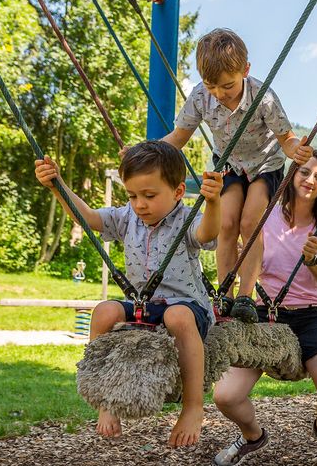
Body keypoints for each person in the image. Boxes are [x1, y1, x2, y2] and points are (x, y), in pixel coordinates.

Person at [35, 141, 223, 448]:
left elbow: (208, 234)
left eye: (149, 196)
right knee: (104, 311)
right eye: (132, 195)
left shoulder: (186, 219)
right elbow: (89, 218)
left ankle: (192, 407)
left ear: (177, 193)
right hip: (143, 306)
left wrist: (213, 202)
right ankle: (107, 400)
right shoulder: (127, 218)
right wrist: (58, 186)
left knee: (178, 316)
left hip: (186, 306)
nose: (139, 204)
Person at [211, 149, 317, 466]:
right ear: (291, 174)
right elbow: (245, 261)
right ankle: (252, 436)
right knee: (225, 396)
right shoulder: (265, 216)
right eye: (305, 172)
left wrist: (313, 260)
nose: (311, 180)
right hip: (266, 313)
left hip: (314, 314)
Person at [160, 28, 312, 323]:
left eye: (227, 85)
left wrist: (297, 151)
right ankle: (224, 294)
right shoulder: (201, 97)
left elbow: (286, 139)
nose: (219, 93)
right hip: (229, 164)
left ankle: (245, 296)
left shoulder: (263, 97)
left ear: (245, 70)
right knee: (226, 223)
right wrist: (146, 151)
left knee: (249, 221)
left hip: (265, 164)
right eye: (211, 85)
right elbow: (178, 138)